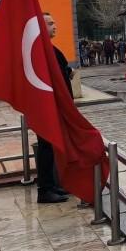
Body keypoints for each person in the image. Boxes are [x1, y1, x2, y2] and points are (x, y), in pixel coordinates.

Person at [37, 12, 73, 203]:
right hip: (47, 109)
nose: (55, 26)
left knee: (51, 148)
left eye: (54, 22)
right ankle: (45, 189)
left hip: (55, 108)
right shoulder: (42, 50)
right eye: (50, 23)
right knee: (46, 148)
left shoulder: (50, 49)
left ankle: (51, 185)